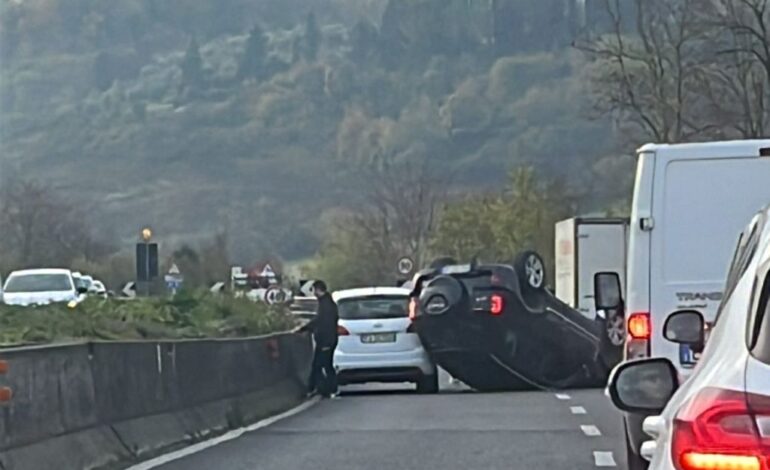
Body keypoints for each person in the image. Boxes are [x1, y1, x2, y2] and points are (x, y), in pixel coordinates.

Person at [299, 280, 339, 398]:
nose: (314, 293)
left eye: (314, 290)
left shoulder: (326, 305)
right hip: (326, 339)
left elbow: (321, 321)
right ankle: (320, 389)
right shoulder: (327, 302)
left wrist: (305, 328)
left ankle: (328, 389)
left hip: (326, 340)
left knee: (323, 365)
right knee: (320, 365)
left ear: (318, 289)